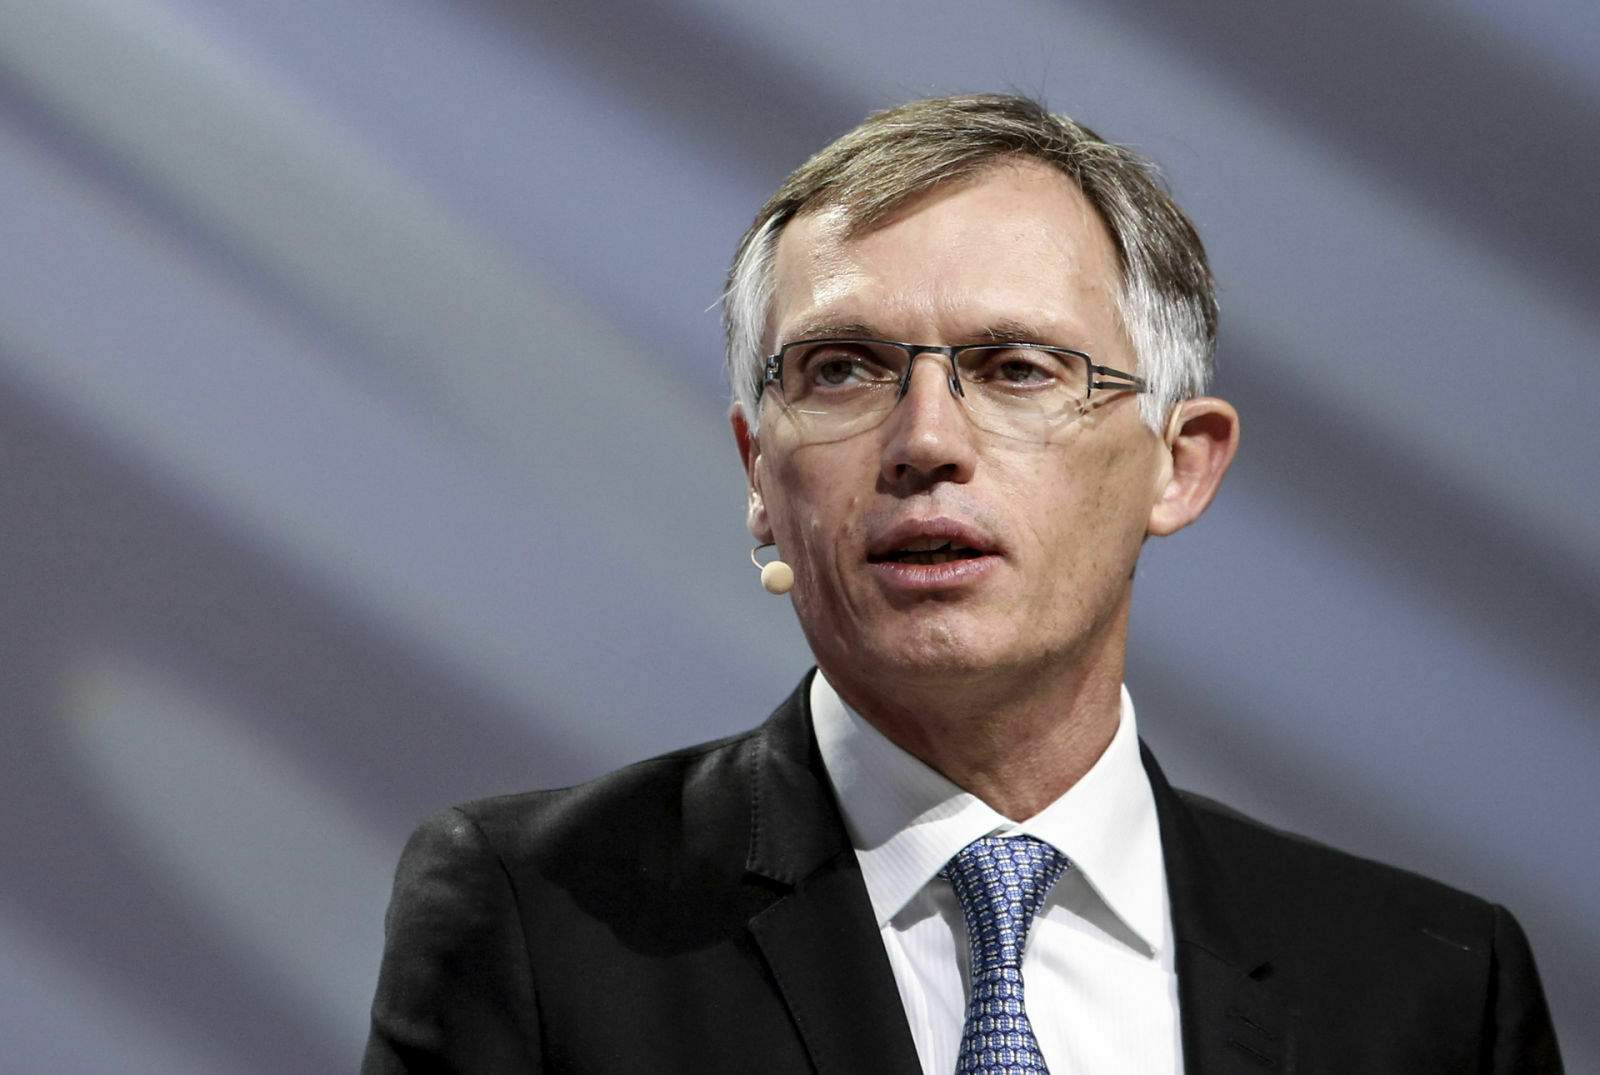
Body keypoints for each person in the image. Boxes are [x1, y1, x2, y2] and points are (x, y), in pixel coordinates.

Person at [362, 94, 1561, 1073]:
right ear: (758, 474)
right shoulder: (538, 921)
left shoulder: (1429, 986)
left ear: (1178, 462)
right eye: (841, 370)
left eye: (1016, 367)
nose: (925, 439)